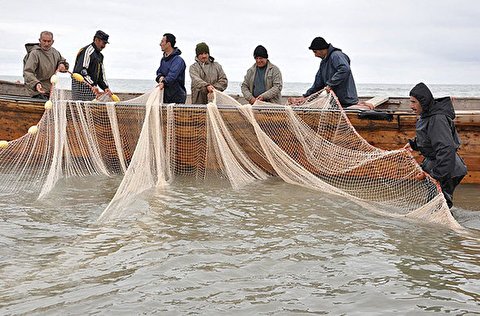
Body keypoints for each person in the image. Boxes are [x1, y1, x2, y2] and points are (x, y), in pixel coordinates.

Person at [405, 82, 467, 208]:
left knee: (438, 206)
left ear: (423, 102)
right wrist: (414, 144)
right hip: (440, 165)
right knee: (434, 205)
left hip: (448, 169)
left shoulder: (437, 119)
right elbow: (429, 138)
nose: (411, 106)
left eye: (413, 102)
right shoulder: (426, 115)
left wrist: (435, 176)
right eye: (410, 101)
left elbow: (445, 149)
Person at [290, 37, 358, 107]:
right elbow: (318, 84)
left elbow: (345, 69)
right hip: (335, 103)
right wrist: (305, 97)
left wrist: (330, 84)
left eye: (315, 52)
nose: (315, 55)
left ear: (322, 49)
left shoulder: (336, 55)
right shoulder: (323, 63)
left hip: (347, 101)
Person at [23, 31, 69, 99]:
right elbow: (28, 72)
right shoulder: (34, 54)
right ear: (39, 40)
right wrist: (36, 84)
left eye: (49, 41)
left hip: (50, 91)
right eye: (44, 41)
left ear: (52, 41)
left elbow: (63, 62)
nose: (46, 44)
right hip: (36, 91)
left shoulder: (55, 52)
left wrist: (62, 65)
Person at [72, 30, 111, 101]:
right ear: (96, 40)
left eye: (105, 43)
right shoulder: (87, 51)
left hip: (92, 90)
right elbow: (82, 71)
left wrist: (105, 87)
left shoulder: (100, 56)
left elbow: (100, 75)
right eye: (103, 43)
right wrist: (92, 84)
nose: (104, 46)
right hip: (80, 89)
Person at [155, 33, 187, 104]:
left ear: (168, 44)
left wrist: (163, 82)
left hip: (177, 97)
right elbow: (159, 72)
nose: (160, 44)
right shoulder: (163, 60)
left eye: (162, 41)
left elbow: (172, 76)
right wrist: (160, 77)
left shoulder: (178, 60)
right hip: (166, 96)